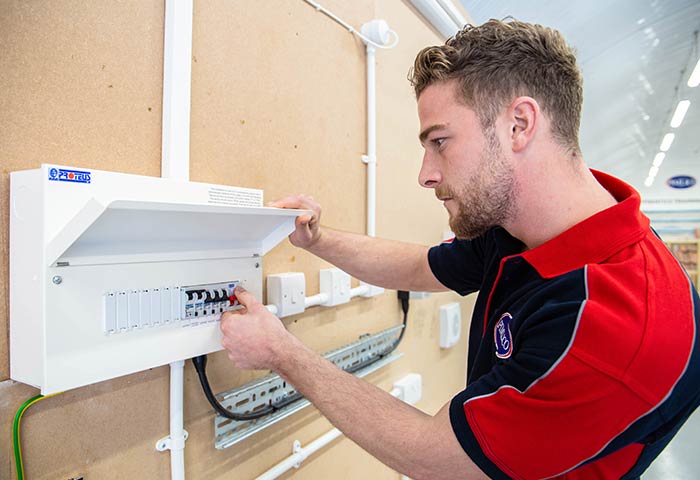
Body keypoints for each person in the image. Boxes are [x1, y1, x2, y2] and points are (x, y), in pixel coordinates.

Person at [220, 19, 700, 479]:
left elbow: (429, 457)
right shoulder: (524, 228)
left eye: (441, 142)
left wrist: (281, 353)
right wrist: (318, 240)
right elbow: (420, 267)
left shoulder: (615, 325)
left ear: (519, 125)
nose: (426, 174)